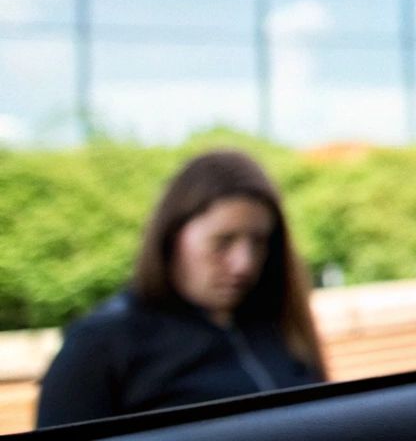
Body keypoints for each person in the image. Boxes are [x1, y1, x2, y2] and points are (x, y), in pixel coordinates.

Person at [35, 150, 326, 428]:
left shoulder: (280, 324)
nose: (244, 264)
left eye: (259, 242)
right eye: (223, 241)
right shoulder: (101, 345)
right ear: (173, 237)